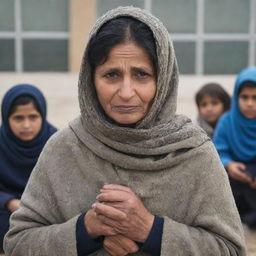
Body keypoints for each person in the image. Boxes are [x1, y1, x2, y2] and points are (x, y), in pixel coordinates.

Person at [4, 7, 246, 256]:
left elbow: (230, 249)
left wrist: (150, 231)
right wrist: (86, 230)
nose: (126, 92)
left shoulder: (194, 153)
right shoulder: (63, 149)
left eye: (141, 74)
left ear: (162, 80)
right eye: (111, 75)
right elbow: (17, 243)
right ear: (90, 80)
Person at [0, 84, 57, 252]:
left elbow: (66, 187)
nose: (26, 125)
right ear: (6, 118)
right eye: (18, 118)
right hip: (7, 210)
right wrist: (9, 202)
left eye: (33, 117)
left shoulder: (57, 143)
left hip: (44, 211)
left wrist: (36, 207)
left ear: (43, 115)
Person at [214, 67, 256, 229]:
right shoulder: (227, 121)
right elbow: (218, 150)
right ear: (236, 97)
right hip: (235, 176)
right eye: (244, 97)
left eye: (255, 97)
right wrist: (229, 164)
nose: (250, 103)